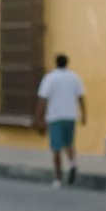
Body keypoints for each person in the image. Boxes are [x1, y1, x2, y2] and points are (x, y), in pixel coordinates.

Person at [34, 54, 86, 188]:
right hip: (70, 116)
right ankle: (72, 164)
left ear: (56, 63)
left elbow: (43, 99)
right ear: (67, 63)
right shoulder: (74, 77)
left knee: (56, 148)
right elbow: (80, 97)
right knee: (69, 144)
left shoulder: (50, 78)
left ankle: (58, 178)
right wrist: (84, 114)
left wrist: (38, 118)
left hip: (55, 117)